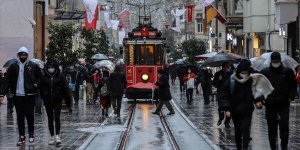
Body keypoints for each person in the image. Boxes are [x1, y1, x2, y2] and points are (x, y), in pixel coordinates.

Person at [224, 60, 273, 150]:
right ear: (239, 71)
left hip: (247, 109)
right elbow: (226, 95)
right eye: (243, 72)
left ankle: (245, 148)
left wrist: (258, 101)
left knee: (246, 129)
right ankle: (239, 147)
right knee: (238, 130)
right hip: (235, 110)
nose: (244, 74)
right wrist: (227, 109)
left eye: (246, 72)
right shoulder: (232, 80)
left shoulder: (251, 79)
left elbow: (255, 92)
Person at [0, 47, 42, 146]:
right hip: (18, 95)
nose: (23, 56)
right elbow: (7, 81)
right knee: (19, 117)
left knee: (30, 116)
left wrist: (35, 85)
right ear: (19, 55)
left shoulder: (33, 66)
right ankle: (21, 136)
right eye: (21, 54)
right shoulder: (13, 67)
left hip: (29, 95)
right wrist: (2, 93)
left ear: (27, 55)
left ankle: (31, 134)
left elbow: (40, 78)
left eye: (25, 55)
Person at [260, 52, 297, 150]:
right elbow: (260, 87)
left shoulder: (287, 72)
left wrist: (291, 96)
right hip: (270, 104)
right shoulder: (265, 72)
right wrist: (260, 99)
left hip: (284, 103)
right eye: (274, 61)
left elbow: (293, 85)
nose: (275, 63)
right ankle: (273, 147)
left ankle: (284, 146)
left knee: (284, 126)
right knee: (272, 128)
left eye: (277, 61)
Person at [39, 59, 72, 145]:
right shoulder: (44, 77)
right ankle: (51, 136)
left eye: (52, 67)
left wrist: (68, 103)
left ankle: (57, 135)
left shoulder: (60, 76)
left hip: (57, 99)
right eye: (49, 67)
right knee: (50, 118)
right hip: (47, 100)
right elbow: (40, 88)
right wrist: (44, 95)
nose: (51, 69)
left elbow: (65, 89)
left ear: (55, 68)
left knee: (57, 117)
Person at [213, 62, 233, 128]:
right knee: (221, 108)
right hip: (221, 94)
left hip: (229, 94)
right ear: (223, 67)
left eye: (229, 66)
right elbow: (214, 84)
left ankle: (227, 123)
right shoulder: (218, 74)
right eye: (227, 66)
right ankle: (220, 119)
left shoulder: (231, 74)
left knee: (229, 109)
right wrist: (219, 80)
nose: (228, 68)